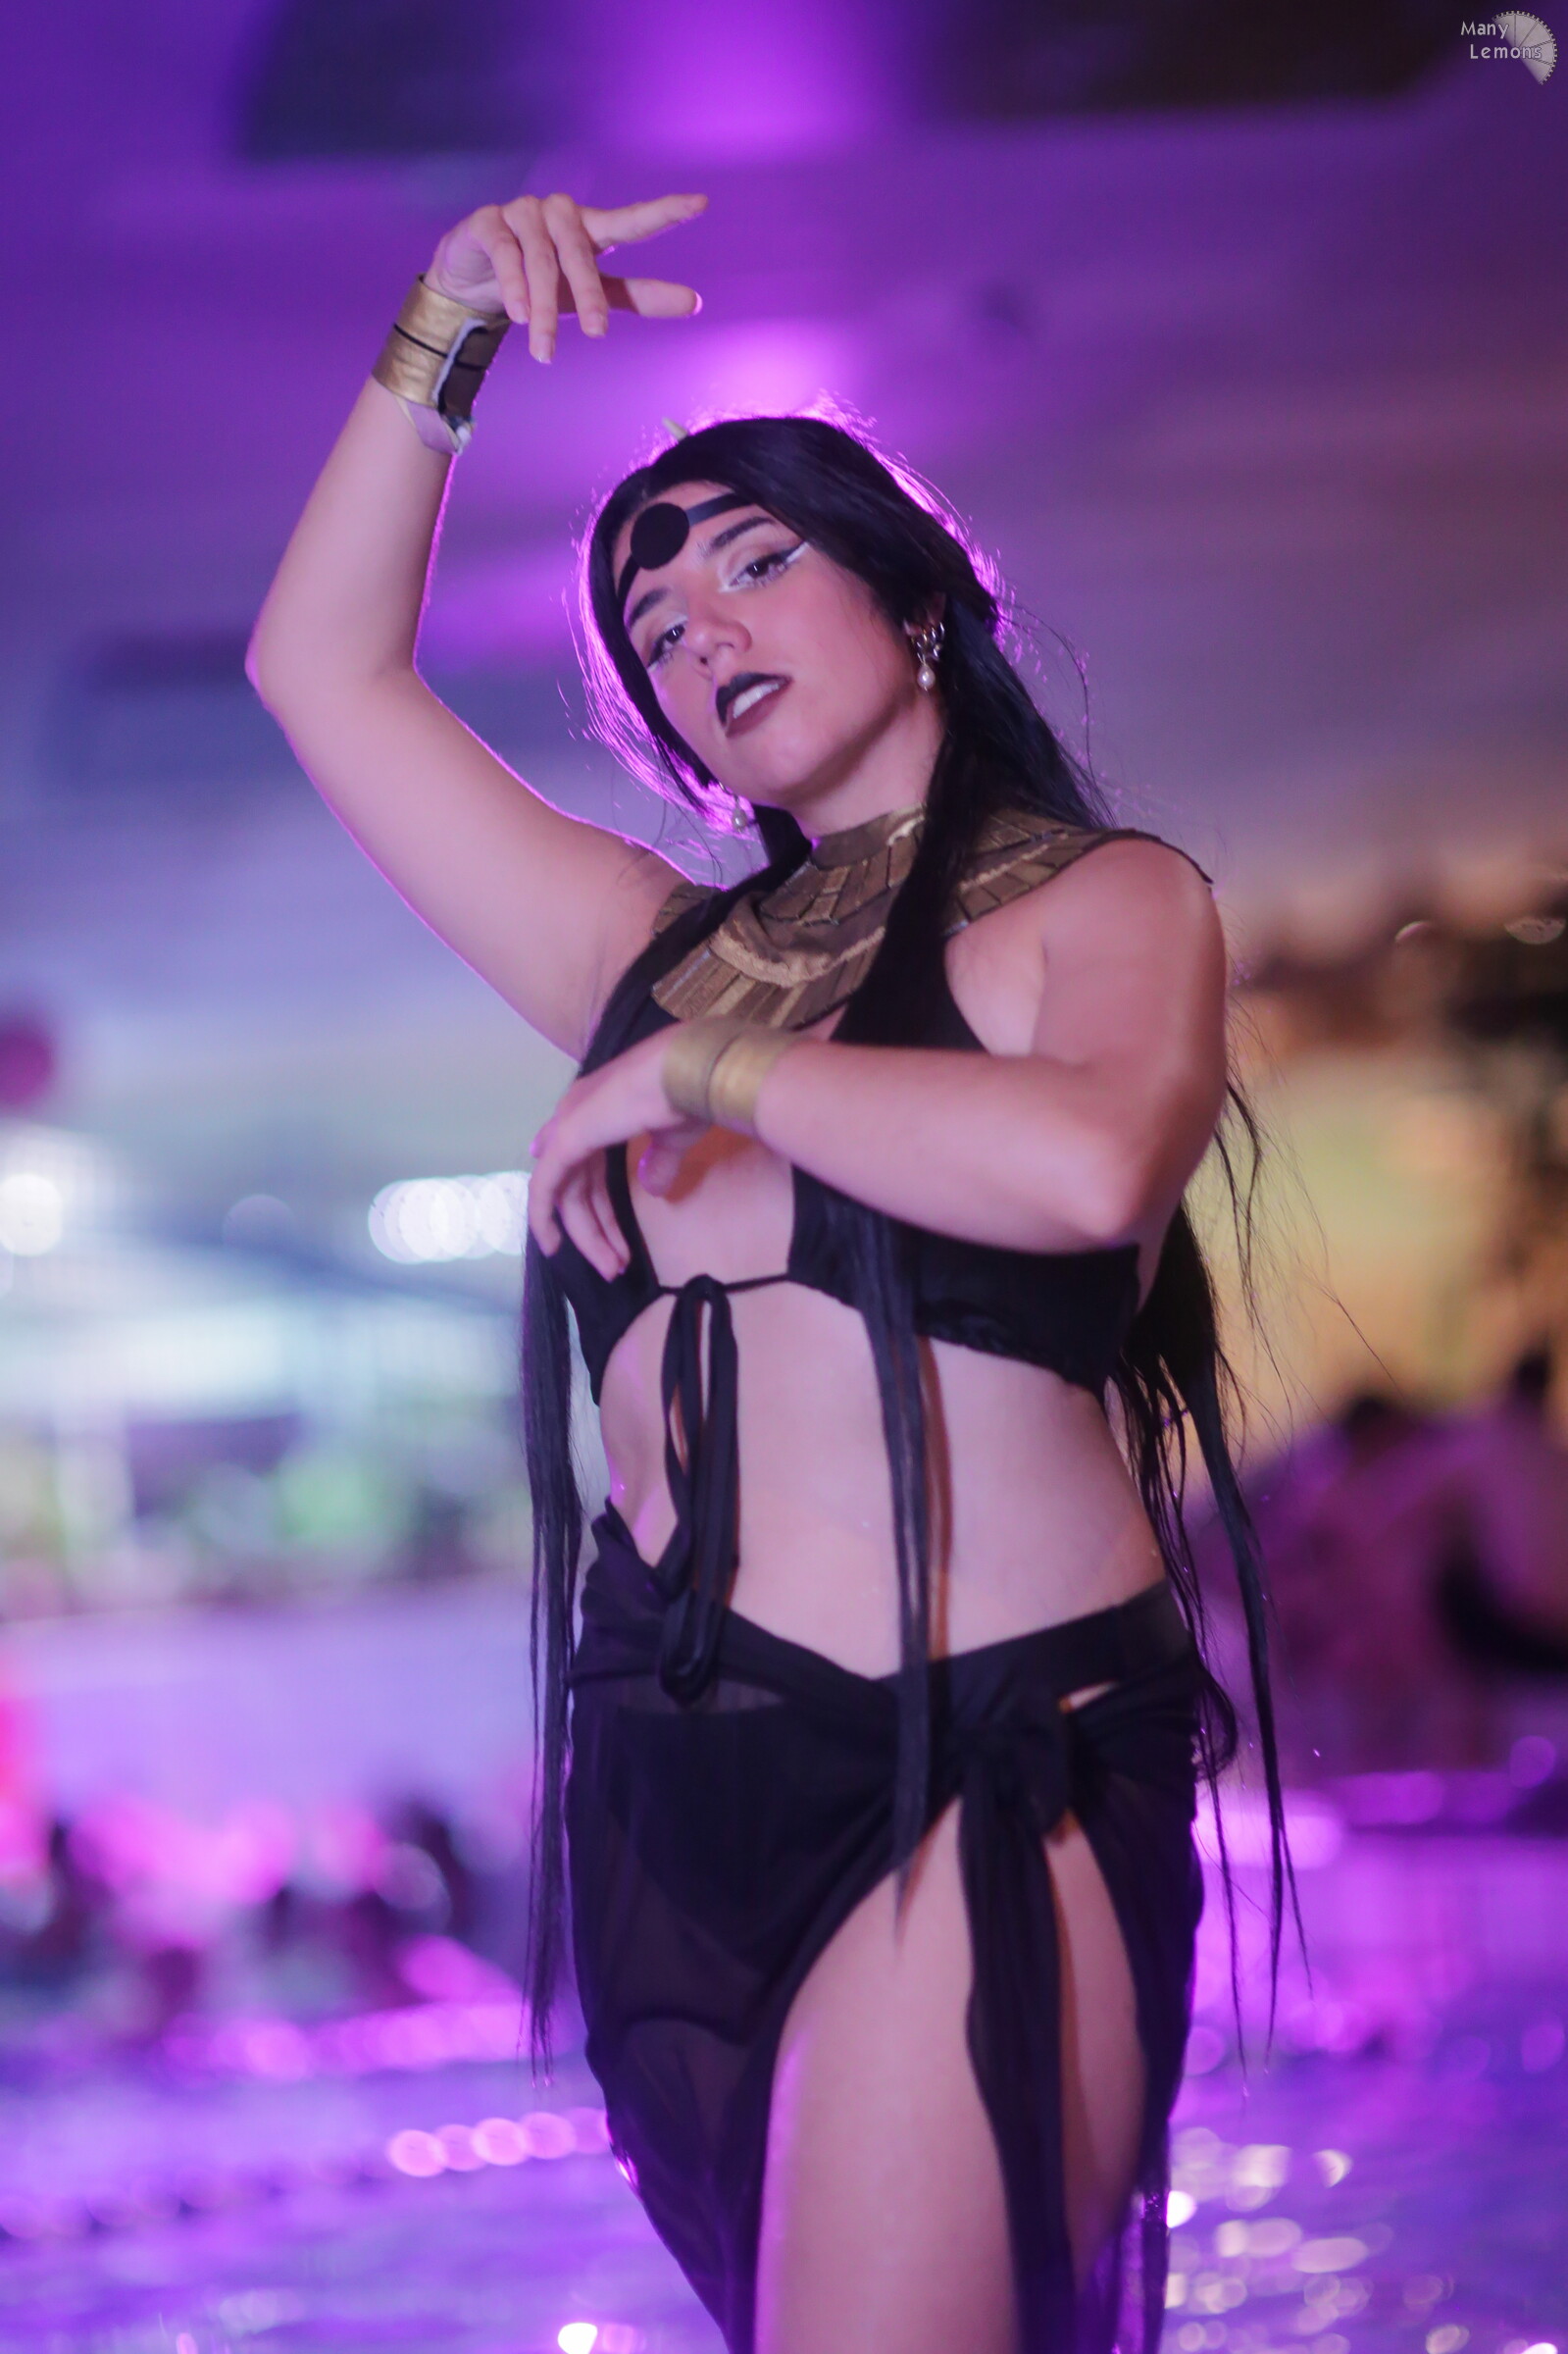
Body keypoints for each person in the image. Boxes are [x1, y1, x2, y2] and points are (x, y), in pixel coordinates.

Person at [249, 190, 1284, 2354]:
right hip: (670, 1800)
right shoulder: (649, 954)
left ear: (913, 601)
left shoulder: (1098, 905)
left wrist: (714, 1073)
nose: (694, 628)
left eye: (749, 561)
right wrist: (447, 324)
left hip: (972, 1752)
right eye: (651, 623)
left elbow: (1092, 1156)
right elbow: (318, 675)